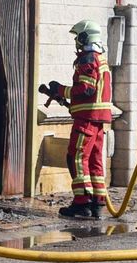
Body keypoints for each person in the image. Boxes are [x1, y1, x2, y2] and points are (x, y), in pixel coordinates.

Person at [40, 19, 114, 219]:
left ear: (84, 37)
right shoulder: (101, 59)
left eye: (77, 38)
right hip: (98, 121)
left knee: (76, 158)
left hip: (87, 120)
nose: (76, 42)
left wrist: (61, 90)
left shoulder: (87, 59)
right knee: (95, 161)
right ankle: (97, 202)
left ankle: (81, 203)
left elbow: (86, 88)